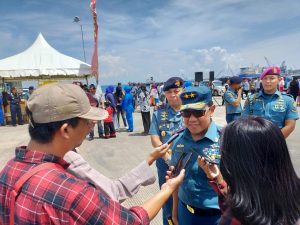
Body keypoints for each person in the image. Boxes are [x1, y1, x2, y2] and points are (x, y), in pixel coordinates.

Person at [0, 83, 185, 225]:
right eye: (87, 122)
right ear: (65, 130)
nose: (91, 126)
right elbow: (131, 221)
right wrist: (168, 188)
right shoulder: (71, 192)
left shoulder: (8, 171)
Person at [198, 116, 300, 225]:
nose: (220, 156)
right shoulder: (287, 195)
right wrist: (218, 179)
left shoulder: (236, 219)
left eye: (223, 153)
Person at [170, 86, 221, 225]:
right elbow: (175, 181)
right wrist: (174, 212)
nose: (191, 119)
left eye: (198, 112)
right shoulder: (177, 141)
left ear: (211, 110)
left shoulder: (226, 140)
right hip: (185, 213)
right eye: (186, 113)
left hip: (217, 217)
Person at [149, 77, 184, 225]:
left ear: (183, 91)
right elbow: (155, 139)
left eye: (176, 91)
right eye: (169, 92)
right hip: (165, 164)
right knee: (167, 199)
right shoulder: (159, 114)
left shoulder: (191, 111)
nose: (173, 95)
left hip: (186, 163)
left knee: (186, 198)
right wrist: (167, 158)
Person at [242, 66, 299, 138]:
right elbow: (244, 121)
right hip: (254, 141)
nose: (267, 81)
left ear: (279, 80)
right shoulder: (251, 99)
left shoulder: (288, 100)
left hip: (277, 142)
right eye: (265, 78)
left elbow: (290, 125)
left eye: (272, 78)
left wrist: (274, 141)